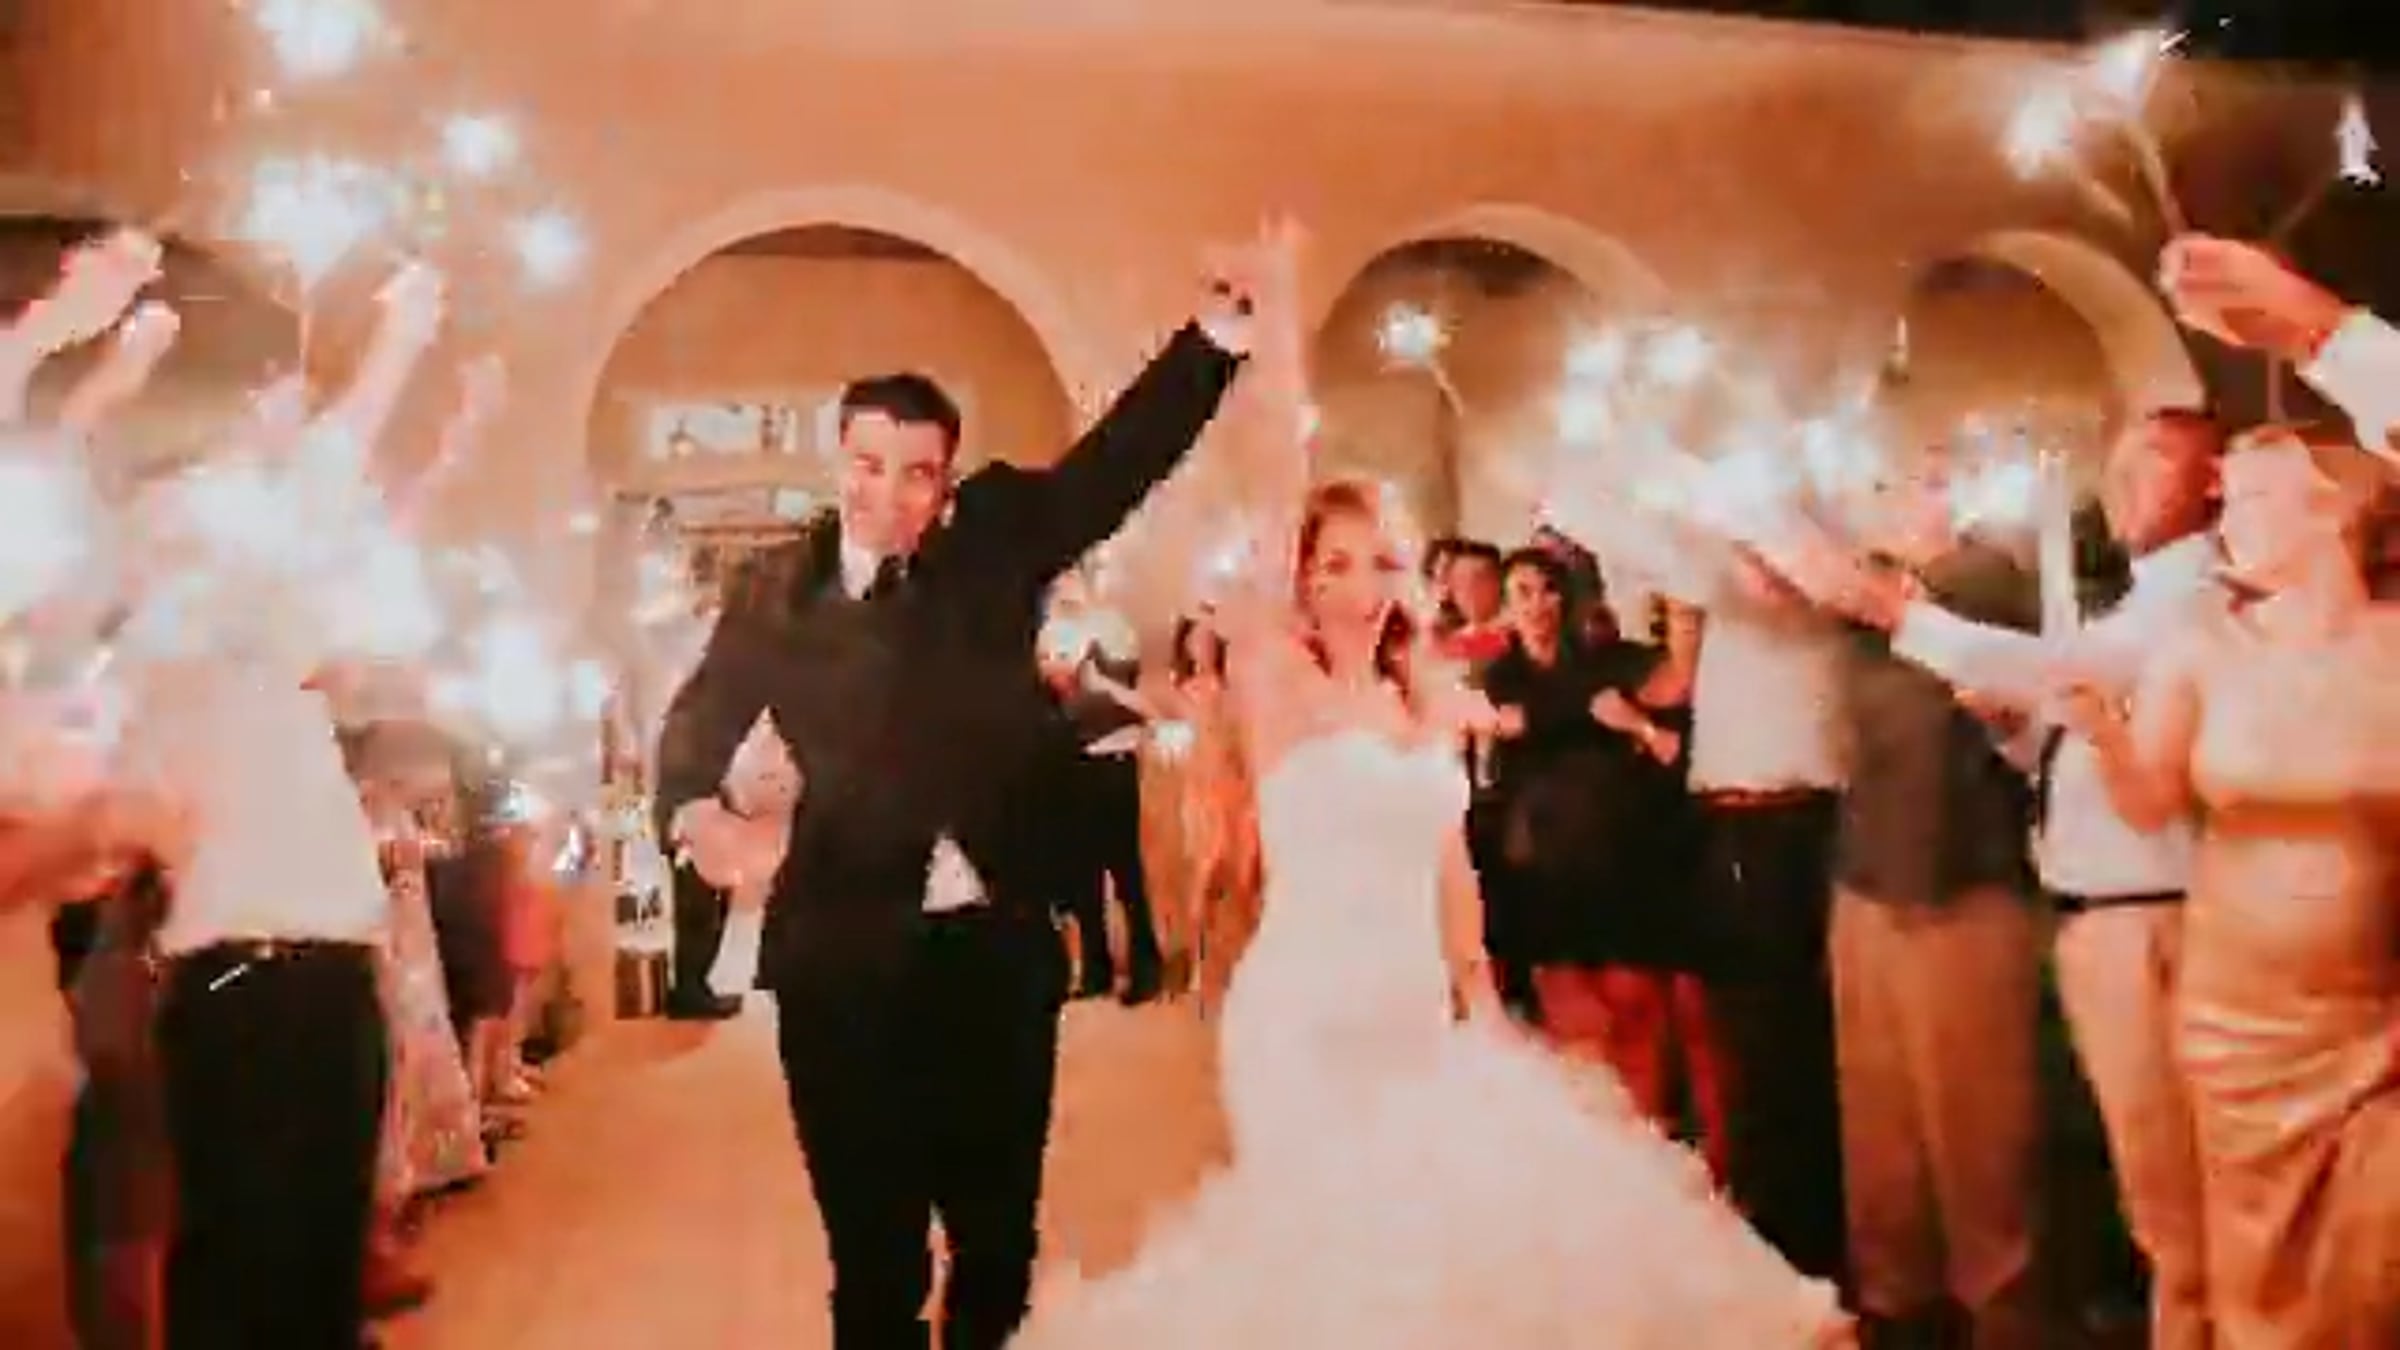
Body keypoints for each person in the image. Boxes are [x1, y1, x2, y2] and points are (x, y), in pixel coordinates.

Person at [1011, 224, 1842, 1350]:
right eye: (1333, 563)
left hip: (1415, 1009)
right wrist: (1280, 323)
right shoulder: (1283, 684)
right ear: (1303, 578)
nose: (1358, 585)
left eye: (1380, 561)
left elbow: (1450, 866)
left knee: (1462, 1270)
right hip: (1307, 1014)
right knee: (1334, 1276)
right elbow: (1277, 481)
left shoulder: (1426, 702)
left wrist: (1481, 1003)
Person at [654, 230, 1258, 1349]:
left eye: (917, 473)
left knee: (995, 1246)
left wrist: (1213, 339)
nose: (887, 494)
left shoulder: (995, 539)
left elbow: (1113, 468)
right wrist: (699, 816)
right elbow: (698, 719)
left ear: (945, 482)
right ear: (840, 459)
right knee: (874, 1259)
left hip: (993, 955)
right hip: (841, 958)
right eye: (868, 465)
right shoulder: (777, 588)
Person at [1822, 408, 2228, 1350]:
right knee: (2150, 1185)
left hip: (2133, 905)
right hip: (2078, 899)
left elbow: (2062, 673)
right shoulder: (2135, 595)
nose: (2120, 486)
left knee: (2163, 1186)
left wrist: (1894, 611)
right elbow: (2057, 731)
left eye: (2150, 465)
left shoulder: (2168, 593)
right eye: (2117, 467)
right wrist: (2013, 728)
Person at [2074, 427, 2400, 1348]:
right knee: (2254, 1261)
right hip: (2239, 1020)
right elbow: (2149, 803)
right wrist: (2104, 735)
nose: (2228, 522)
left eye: (2255, 499)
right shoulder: (2201, 648)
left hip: (2374, 1015)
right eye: (2227, 502)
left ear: (2332, 511)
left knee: (2370, 1267)